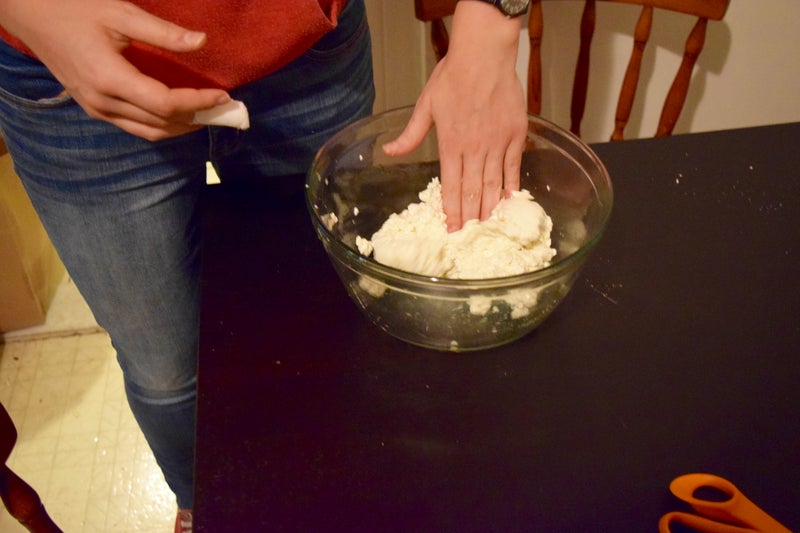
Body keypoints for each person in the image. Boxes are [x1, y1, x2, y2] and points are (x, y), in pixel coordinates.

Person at [0, 0, 526, 530]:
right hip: (68, 70)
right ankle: (200, 504)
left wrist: (495, 17)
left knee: (328, 328)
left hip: (302, 49)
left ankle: (326, 477)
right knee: (166, 371)